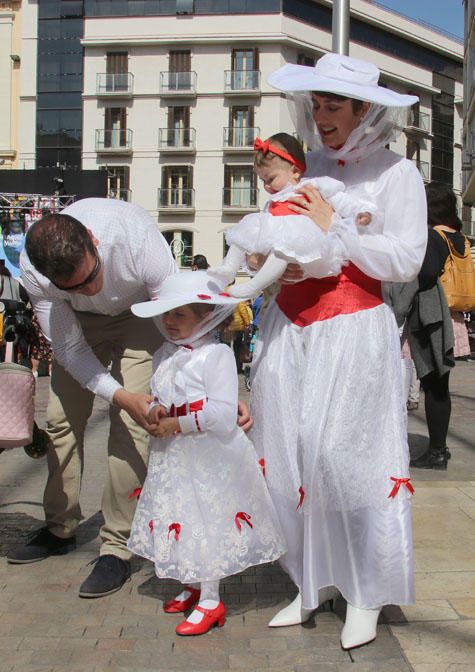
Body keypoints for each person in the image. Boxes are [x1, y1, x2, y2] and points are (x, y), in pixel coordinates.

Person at [249, 53, 427, 649]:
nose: (321, 116)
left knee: (346, 458)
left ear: (363, 110)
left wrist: (339, 228)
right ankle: (310, 580)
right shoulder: (307, 164)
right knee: (293, 452)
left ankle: (365, 589)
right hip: (292, 325)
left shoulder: (396, 174)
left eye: (334, 106)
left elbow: (404, 261)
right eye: (316, 105)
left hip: (353, 328)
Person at [7, 198, 179, 597]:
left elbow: (172, 311)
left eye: (92, 275)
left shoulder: (137, 239)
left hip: (142, 315)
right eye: (76, 287)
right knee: (60, 419)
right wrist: (117, 394)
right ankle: (59, 526)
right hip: (78, 325)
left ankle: (117, 546)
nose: (90, 288)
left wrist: (180, 379)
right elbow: (69, 352)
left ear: (94, 241)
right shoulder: (37, 273)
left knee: (134, 424)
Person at [127, 271, 285, 636]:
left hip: (208, 455)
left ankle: (212, 600)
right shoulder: (165, 354)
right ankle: (193, 582)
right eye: (166, 315)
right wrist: (156, 413)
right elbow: (160, 396)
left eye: (180, 315)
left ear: (206, 317)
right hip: (174, 455)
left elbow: (222, 414)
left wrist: (177, 425)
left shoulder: (216, 356)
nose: (169, 323)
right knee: (182, 514)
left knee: (206, 520)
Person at [209, 133, 375, 298]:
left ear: (295, 171)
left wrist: (360, 212)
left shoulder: (312, 185)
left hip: (303, 238)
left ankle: (254, 286)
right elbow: (259, 234)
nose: (267, 186)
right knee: (246, 228)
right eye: (262, 181)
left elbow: (341, 200)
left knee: (282, 249)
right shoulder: (273, 202)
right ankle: (229, 268)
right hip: (281, 239)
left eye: (271, 179)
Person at [406, 182, 464, 469]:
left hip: (434, 316)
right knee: (440, 385)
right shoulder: (457, 236)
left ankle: (437, 451)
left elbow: (427, 273)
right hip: (453, 315)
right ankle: (440, 445)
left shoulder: (433, 236)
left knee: (433, 384)